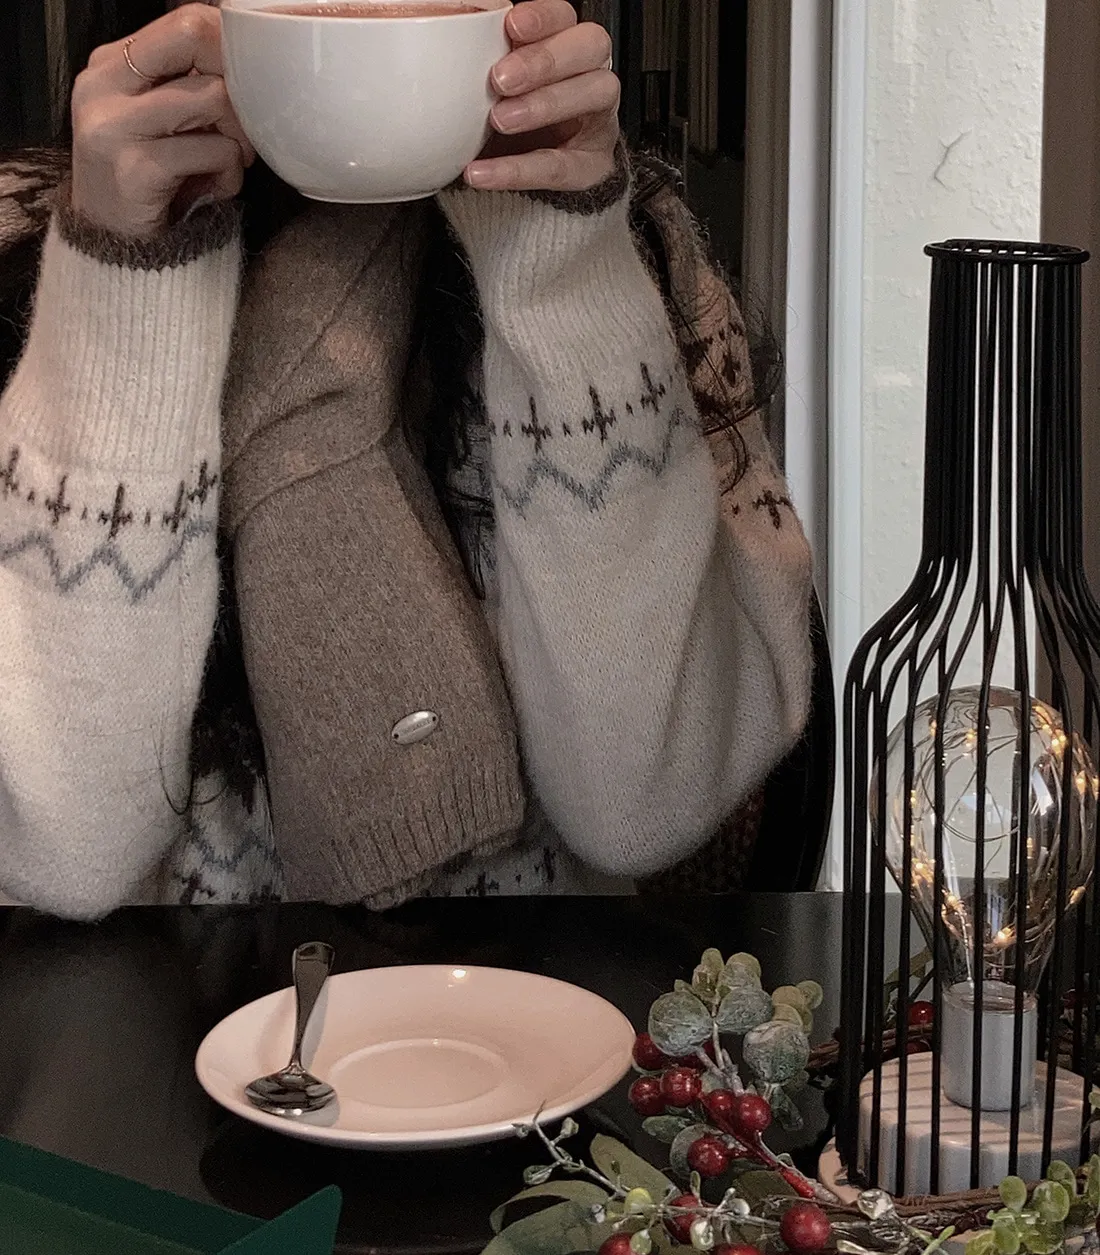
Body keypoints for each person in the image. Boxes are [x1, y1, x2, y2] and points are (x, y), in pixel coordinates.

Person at [0, 0, 813, 919]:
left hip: (528, 995)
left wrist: (564, 259)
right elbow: (60, 855)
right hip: (151, 1000)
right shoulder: (35, 244)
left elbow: (646, 804)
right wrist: (117, 283)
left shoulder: (626, 239)